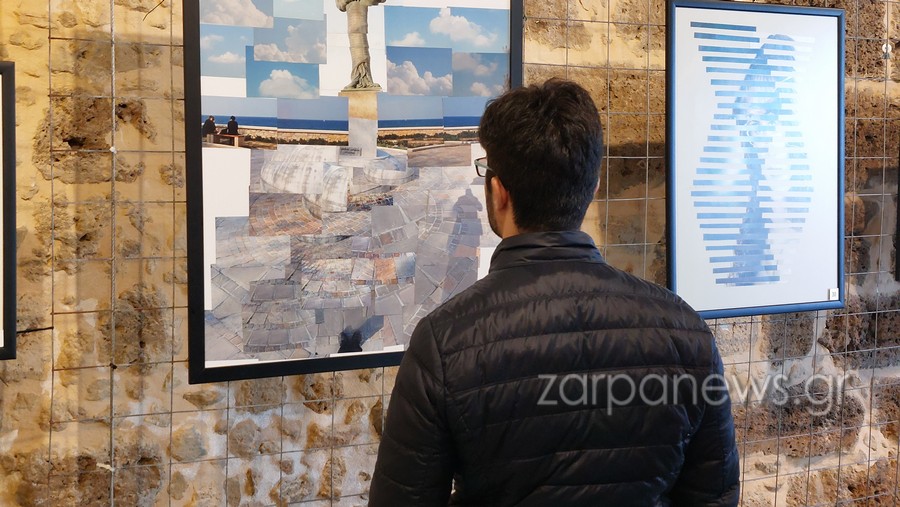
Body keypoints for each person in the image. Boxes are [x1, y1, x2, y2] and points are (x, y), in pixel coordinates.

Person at [368, 79, 740, 506]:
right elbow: (714, 496)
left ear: (498, 192)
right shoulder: (685, 331)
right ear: (593, 189)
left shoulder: (445, 342)